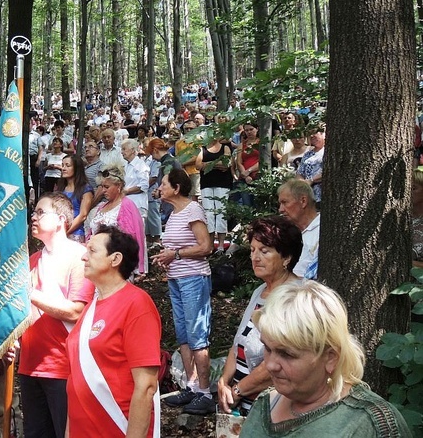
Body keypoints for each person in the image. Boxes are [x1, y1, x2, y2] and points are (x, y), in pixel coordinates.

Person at [240, 281, 412, 437]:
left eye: (287, 354)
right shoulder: (265, 404)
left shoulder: (369, 424)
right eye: (268, 349)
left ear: (331, 358)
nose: (270, 365)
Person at [66, 226, 161, 437]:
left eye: (92, 251)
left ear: (115, 259)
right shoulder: (91, 306)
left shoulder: (137, 304)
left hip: (115, 427)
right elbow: (76, 382)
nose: (83, 257)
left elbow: (146, 386)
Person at [19, 192, 94, 438]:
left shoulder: (80, 257)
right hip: (30, 365)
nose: (34, 217)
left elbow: (76, 311)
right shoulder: (31, 260)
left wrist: (30, 293)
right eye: (34, 212)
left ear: (61, 219)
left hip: (64, 366)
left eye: (41, 212)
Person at [216, 216, 302, 416]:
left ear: (286, 257)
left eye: (264, 251)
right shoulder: (260, 291)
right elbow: (238, 343)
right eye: (253, 250)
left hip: (274, 406)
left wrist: (238, 390)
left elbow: (281, 360)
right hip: (241, 402)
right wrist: (223, 382)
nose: (255, 257)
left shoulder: (295, 297)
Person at [153, 169, 214, 414]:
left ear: (176, 188)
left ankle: (206, 392)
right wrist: (166, 256)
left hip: (194, 279)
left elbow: (206, 246)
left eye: (164, 184)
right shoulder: (174, 212)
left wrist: (175, 254)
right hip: (176, 279)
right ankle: (192, 386)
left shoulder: (192, 210)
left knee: (197, 334)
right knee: (183, 334)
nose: (160, 188)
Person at [87, 164, 147, 275]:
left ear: (118, 186)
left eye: (107, 187)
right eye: (102, 186)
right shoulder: (102, 206)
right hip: (96, 261)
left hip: (116, 264)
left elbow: (130, 239)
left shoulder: (126, 206)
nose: (103, 191)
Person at [195, 132, 233, 253]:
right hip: (206, 184)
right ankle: (210, 245)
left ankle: (221, 245)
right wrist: (217, 164)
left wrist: (208, 165)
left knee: (221, 213)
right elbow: (197, 165)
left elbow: (226, 164)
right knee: (209, 214)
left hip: (223, 184)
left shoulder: (225, 148)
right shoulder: (203, 149)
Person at [278, 179, 320, 278]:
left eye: (285, 202)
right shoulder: (287, 234)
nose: (280, 209)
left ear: (303, 201)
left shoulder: (322, 231)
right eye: (280, 204)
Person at [56, 155, 94, 242]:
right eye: (62, 165)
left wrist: (65, 232)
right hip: (59, 230)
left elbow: (83, 215)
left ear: (77, 168)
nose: (63, 168)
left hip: (75, 233)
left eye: (68, 165)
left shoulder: (85, 189)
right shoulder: (61, 187)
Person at [120, 138, 150, 220]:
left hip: (138, 204)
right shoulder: (126, 165)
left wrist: (127, 191)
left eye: (124, 149)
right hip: (126, 204)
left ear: (133, 150)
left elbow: (144, 185)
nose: (122, 152)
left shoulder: (140, 165)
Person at [296, 127, 325, 206]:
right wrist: (304, 184)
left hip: (322, 193)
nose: (312, 136)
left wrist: (311, 180)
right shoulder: (308, 154)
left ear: (323, 134)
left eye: (315, 133)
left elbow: (328, 171)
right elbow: (299, 173)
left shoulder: (328, 151)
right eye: (310, 134)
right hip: (308, 194)